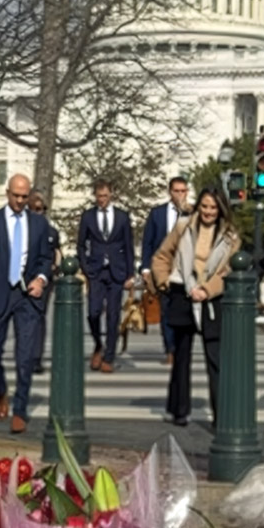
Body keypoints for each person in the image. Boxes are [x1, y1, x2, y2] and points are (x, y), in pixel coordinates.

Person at [151, 186, 240, 427]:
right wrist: (164, 281)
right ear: (198, 206)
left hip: (211, 298)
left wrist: (207, 290)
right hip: (182, 292)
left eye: (213, 207)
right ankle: (179, 410)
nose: (208, 212)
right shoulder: (183, 226)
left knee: (215, 358)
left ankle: (221, 415)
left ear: (221, 209)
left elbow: (227, 270)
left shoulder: (230, 236)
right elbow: (162, 256)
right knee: (181, 357)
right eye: (204, 206)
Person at [0, 174, 53, 433]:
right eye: (16, 195)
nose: (19, 201)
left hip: (27, 296)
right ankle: (1, 389)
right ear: (7, 193)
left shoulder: (39, 224)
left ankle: (20, 409)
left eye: (24, 196)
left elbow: (46, 258)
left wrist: (41, 279)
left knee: (25, 356)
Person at [76, 178, 135, 373]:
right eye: (99, 196)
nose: (102, 199)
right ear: (95, 196)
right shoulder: (88, 216)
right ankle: (98, 344)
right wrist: (85, 267)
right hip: (96, 271)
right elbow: (81, 244)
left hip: (116, 272)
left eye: (105, 196)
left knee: (113, 315)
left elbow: (128, 246)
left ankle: (109, 356)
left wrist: (130, 274)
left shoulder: (122, 217)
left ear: (111, 195)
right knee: (93, 312)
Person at [141, 177, 190, 365]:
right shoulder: (157, 214)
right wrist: (146, 269)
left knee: (183, 310)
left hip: (185, 269)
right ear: (170, 192)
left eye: (183, 191)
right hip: (162, 269)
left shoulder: (192, 214)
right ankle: (170, 349)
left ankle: (181, 348)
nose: (180, 195)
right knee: (166, 310)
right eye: (177, 191)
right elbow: (148, 242)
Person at [27, 190, 60, 373]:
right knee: (25, 318)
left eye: (41, 209)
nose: (39, 213)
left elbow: (57, 253)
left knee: (39, 317)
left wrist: (55, 268)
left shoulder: (51, 232)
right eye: (35, 209)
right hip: (24, 279)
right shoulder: (22, 229)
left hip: (44, 279)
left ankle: (36, 358)